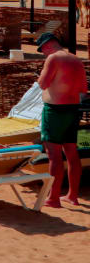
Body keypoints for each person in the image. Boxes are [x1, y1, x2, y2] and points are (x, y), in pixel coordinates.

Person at [36, 32, 88, 208]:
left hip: (55, 110)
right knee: (72, 153)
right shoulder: (76, 59)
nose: (43, 53)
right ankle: (72, 196)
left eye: (42, 50)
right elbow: (83, 89)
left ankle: (53, 198)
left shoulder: (53, 58)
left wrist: (41, 76)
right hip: (73, 109)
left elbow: (43, 84)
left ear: (47, 45)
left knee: (54, 155)